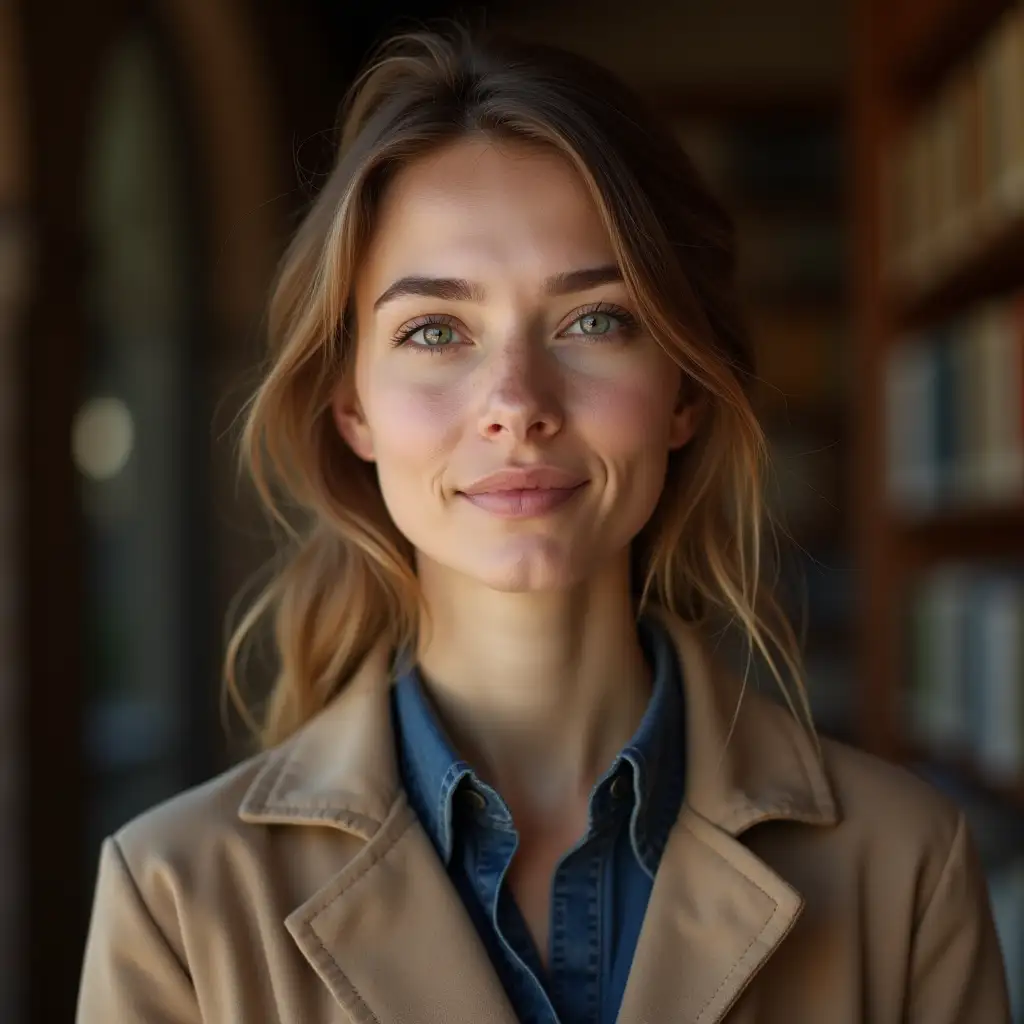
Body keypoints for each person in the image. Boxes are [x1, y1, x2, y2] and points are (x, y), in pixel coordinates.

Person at [76, 26, 1011, 1024]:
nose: (516, 402)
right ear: (351, 407)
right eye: (435, 331)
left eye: (594, 320)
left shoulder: (902, 867)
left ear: (683, 389)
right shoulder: (175, 896)